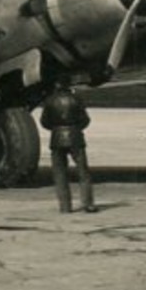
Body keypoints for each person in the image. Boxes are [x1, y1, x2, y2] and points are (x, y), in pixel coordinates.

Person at [40, 80, 96, 214]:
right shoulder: (76, 99)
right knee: (83, 172)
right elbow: (85, 120)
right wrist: (75, 128)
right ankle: (88, 204)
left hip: (57, 138)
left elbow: (45, 122)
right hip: (75, 136)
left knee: (60, 174)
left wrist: (56, 129)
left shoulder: (49, 100)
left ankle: (65, 207)